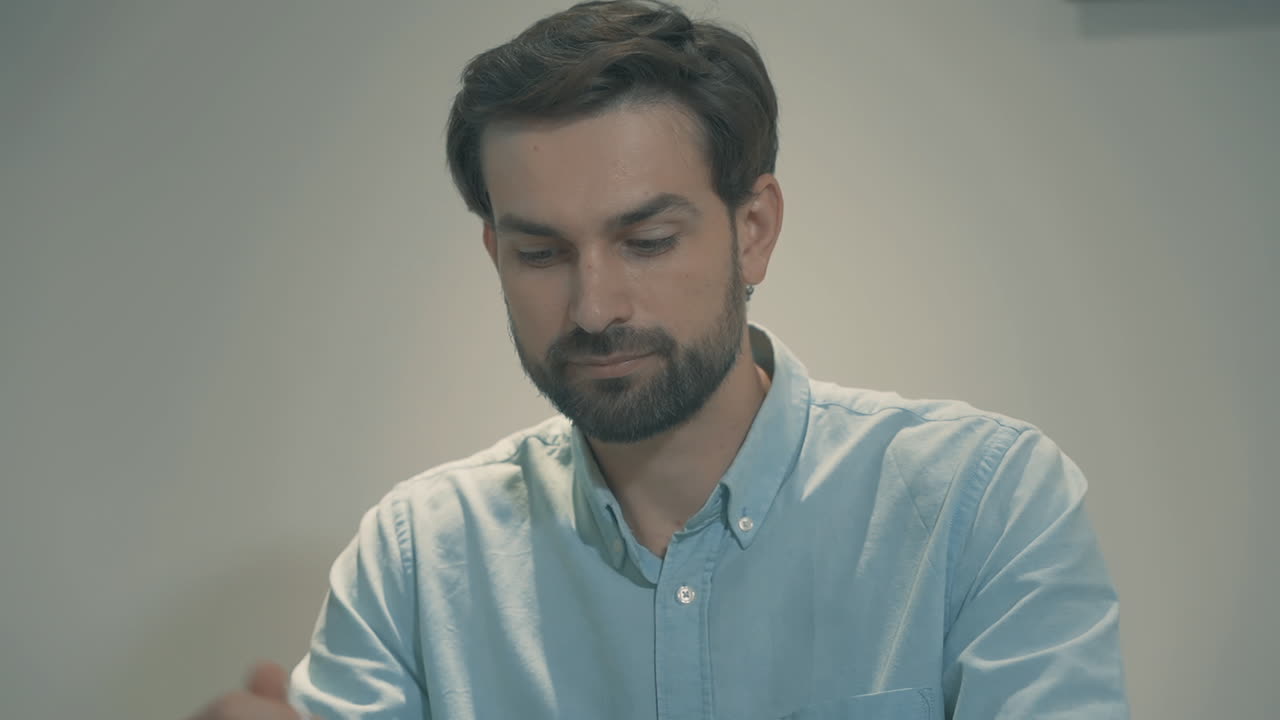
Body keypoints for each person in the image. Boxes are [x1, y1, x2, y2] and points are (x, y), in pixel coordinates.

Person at [189, 1, 1129, 718]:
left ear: (753, 231)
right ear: (496, 256)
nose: (595, 308)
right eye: (541, 253)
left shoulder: (984, 509)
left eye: (645, 240)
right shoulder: (412, 562)